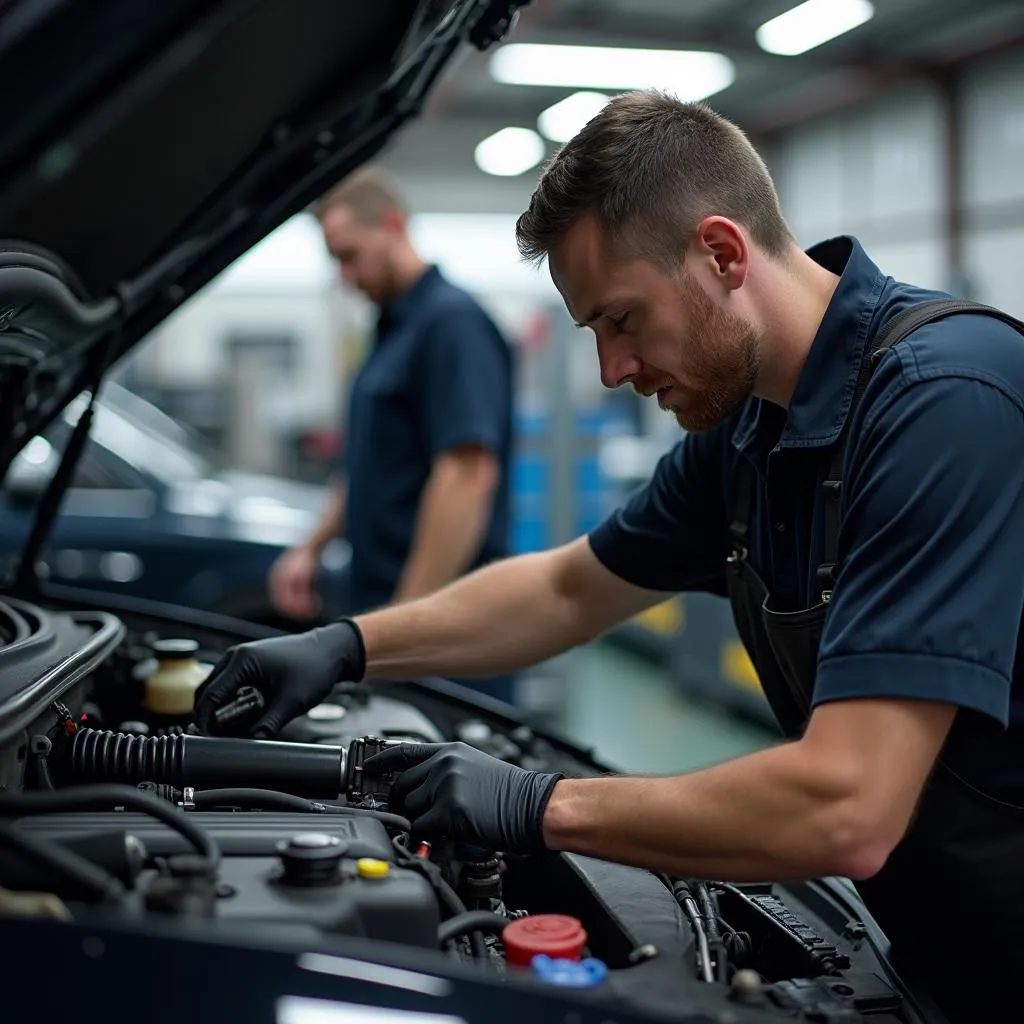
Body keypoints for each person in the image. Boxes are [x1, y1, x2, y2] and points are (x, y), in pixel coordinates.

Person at [196, 92, 1024, 1020]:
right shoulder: (751, 430)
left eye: (621, 319)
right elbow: (564, 588)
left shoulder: (945, 403)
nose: (610, 371)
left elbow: (848, 804)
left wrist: (542, 805)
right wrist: (348, 645)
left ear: (721, 254)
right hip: (943, 950)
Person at [267, 166, 518, 704]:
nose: (346, 275)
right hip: (389, 614)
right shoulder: (390, 331)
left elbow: (467, 474)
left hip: (444, 637)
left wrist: (404, 626)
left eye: (350, 254)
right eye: (335, 260)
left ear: (392, 224)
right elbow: (365, 465)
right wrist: (309, 548)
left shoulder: (451, 324)